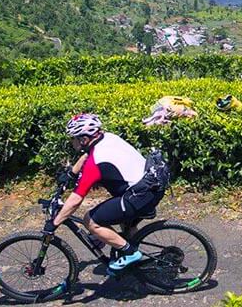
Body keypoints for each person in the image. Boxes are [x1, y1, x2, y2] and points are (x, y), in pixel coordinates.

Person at [43, 113, 165, 274]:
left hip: (141, 195)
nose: (72, 142)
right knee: (122, 222)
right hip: (151, 185)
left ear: (84, 139)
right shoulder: (107, 137)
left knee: (91, 221)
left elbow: (76, 200)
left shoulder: (96, 162)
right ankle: (134, 259)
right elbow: (86, 155)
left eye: (73, 138)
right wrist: (71, 173)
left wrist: (54, 223)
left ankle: (131, 253)